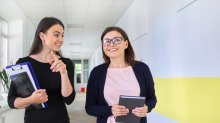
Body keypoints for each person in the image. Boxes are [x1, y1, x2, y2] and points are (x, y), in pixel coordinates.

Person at [7, 17, 76, 123]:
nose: (61, 39)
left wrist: (63, 73)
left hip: (60, 119)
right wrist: (31, 100)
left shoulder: (66, 63)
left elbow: (69, 99)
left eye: (62, 35)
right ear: (42, 36)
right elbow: (11, 101)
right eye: (56, 35)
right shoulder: (23, 63)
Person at [85, 26, 157, 123]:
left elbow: (152, 99)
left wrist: (146, 107)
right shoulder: (97, 72)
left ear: (126, 44)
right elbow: (90, 107)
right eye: (107, 41)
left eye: (117, 40)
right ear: (103, 46)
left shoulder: (142, 68)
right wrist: (110, 110)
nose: (111, 44)